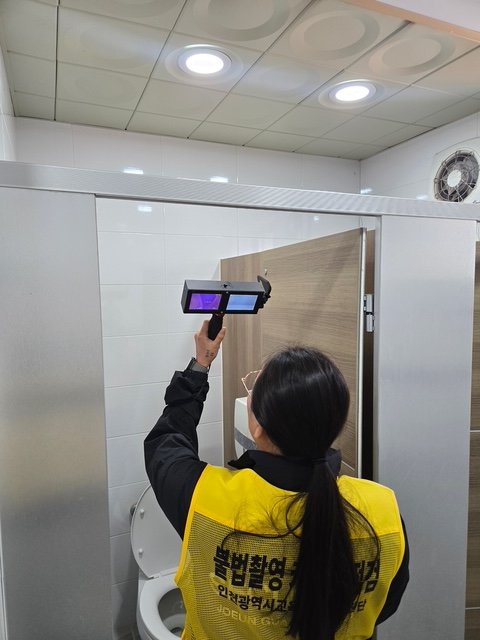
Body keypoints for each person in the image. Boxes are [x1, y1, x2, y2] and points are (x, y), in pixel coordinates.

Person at [144, 320, 409, 640]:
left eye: (254, 389)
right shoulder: (382, 511)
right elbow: (384, 605)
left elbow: (167, 439)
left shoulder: (203, 497)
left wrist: (201, 364)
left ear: (257, 426)